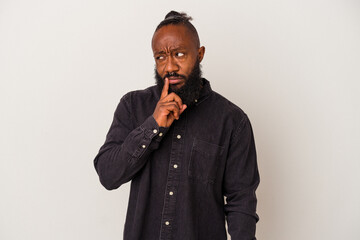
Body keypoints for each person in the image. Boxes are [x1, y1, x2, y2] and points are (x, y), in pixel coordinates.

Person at [94, 10, 260, 240]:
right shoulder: (133, 106)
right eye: (160, 57)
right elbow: (108, 175)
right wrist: (153, 125)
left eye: (179, 54)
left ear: (199, 54)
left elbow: (241, 201)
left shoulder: (232, 121)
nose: (169, 67)